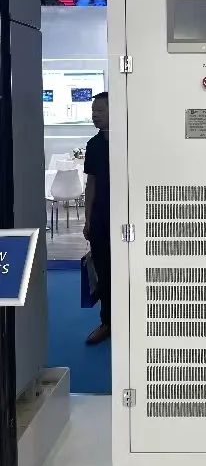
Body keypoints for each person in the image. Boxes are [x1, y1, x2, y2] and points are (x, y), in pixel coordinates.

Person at [83, 92, 111, 345]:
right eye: (93, 111)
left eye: (100, 110)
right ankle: (107, 322)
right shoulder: (93, 145)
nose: (95, 115)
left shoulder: (129, 140)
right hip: (101, 217)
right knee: (103, 271)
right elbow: (90, 183)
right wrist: (88, 218)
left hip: (127, 215)